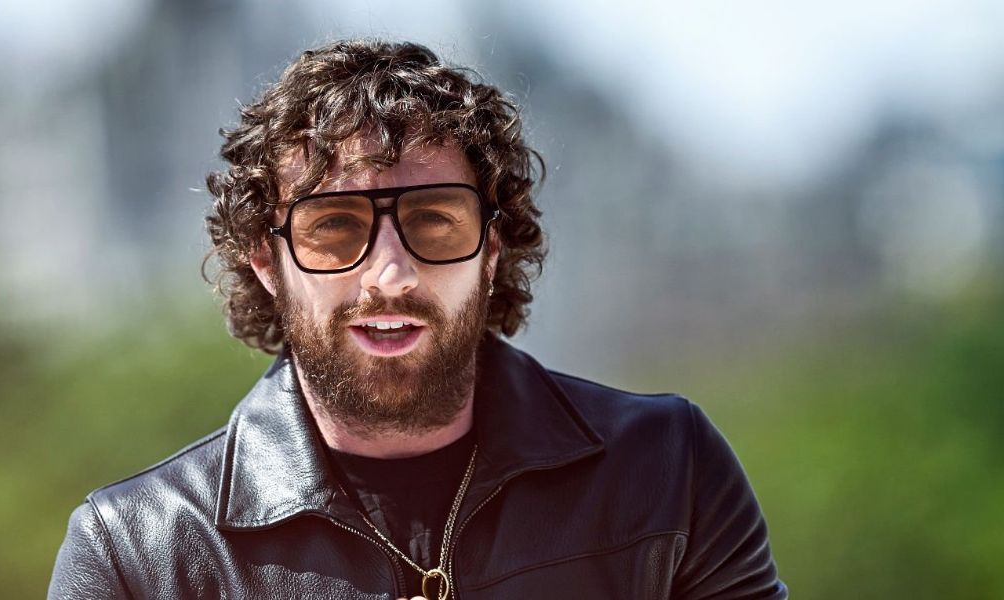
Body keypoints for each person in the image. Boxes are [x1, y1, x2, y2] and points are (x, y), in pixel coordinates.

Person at [48, 39, 787, 600]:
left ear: (491, 250)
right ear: (267, 263)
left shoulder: (666, 471)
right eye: (334, 227)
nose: (390, 276)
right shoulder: (139, 552)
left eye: (433, 221)